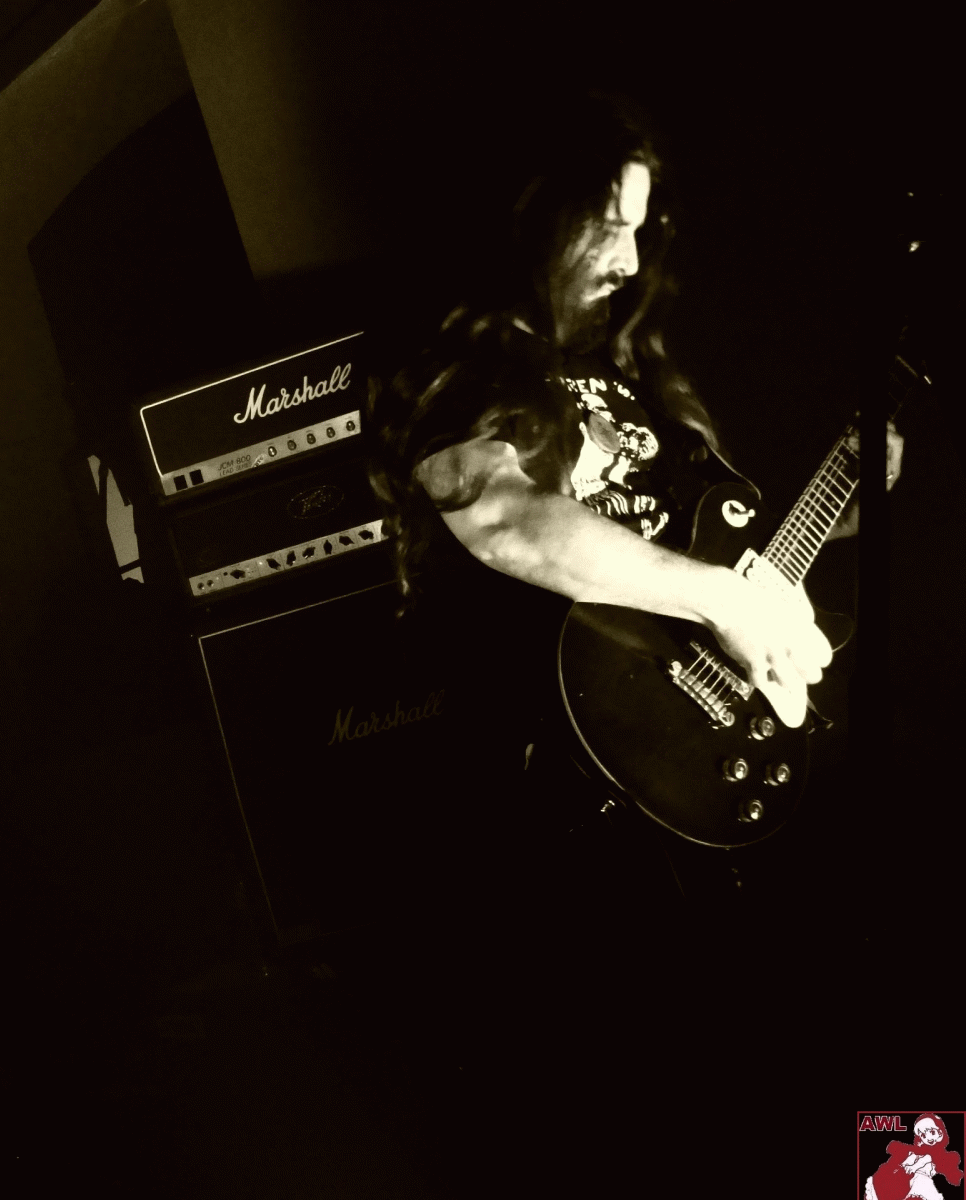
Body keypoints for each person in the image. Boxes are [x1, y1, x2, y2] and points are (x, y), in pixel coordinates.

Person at [364, 94, 902, 986]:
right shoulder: (447, 359)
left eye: (641, 231)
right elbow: (503, 520)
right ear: (529, 217)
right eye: (608, 229)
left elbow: (715, 553)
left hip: (698, 734)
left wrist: (846, 496)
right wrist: (725, 602)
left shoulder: (621, 362)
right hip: (563, 777)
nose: (630, 261)